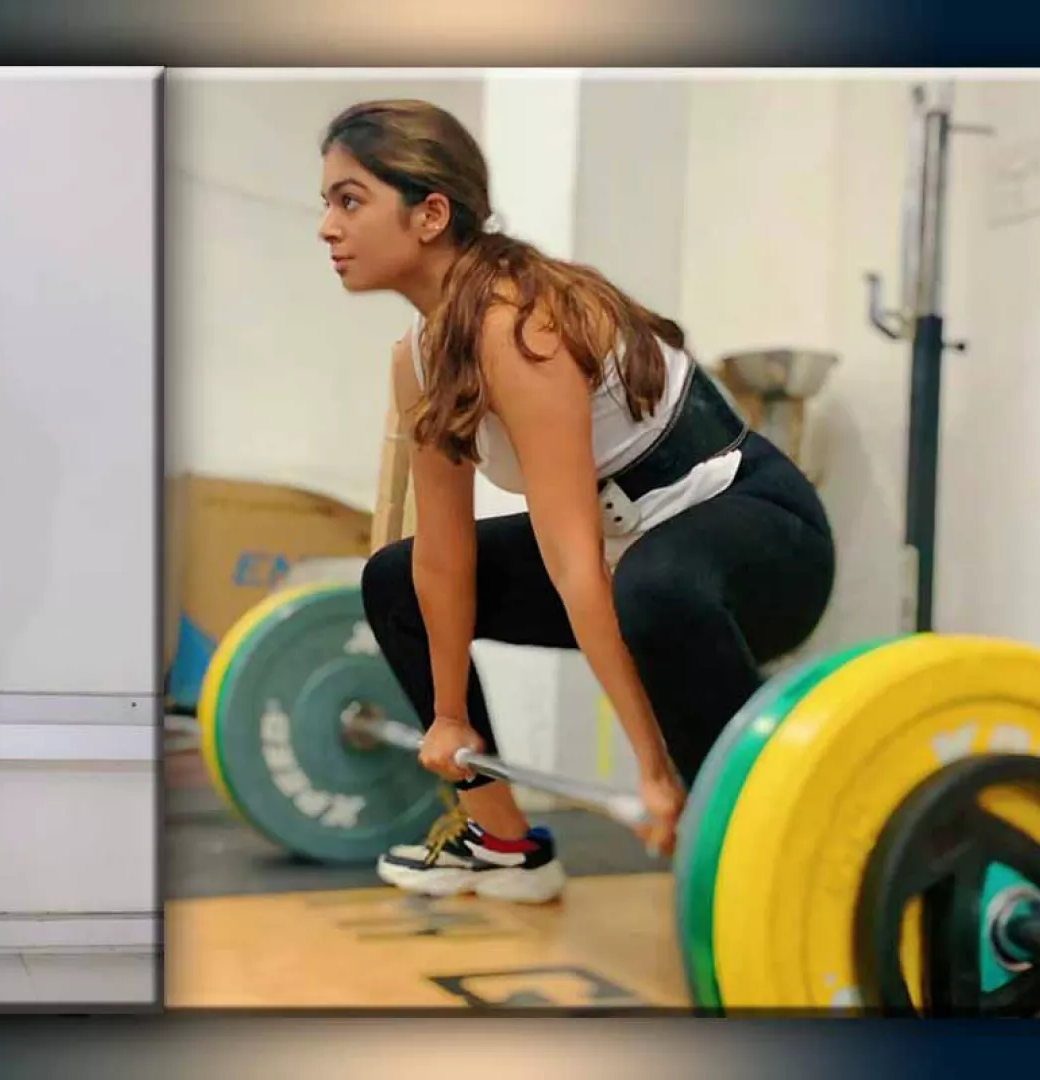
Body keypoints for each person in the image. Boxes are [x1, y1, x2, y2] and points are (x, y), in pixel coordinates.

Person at [317, 100, 836, 904]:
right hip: (637, 557)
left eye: (349, 200)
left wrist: (652, 769)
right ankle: (502, 842)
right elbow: (446, 555)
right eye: (326, 203)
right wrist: (449, 717)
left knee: (652, 589)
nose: (327, 227)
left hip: (765, 538)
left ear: (430, 214)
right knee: (396, 580)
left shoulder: (519, 326)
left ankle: (780, 849)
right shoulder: (417, 357)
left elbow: (573, 561)